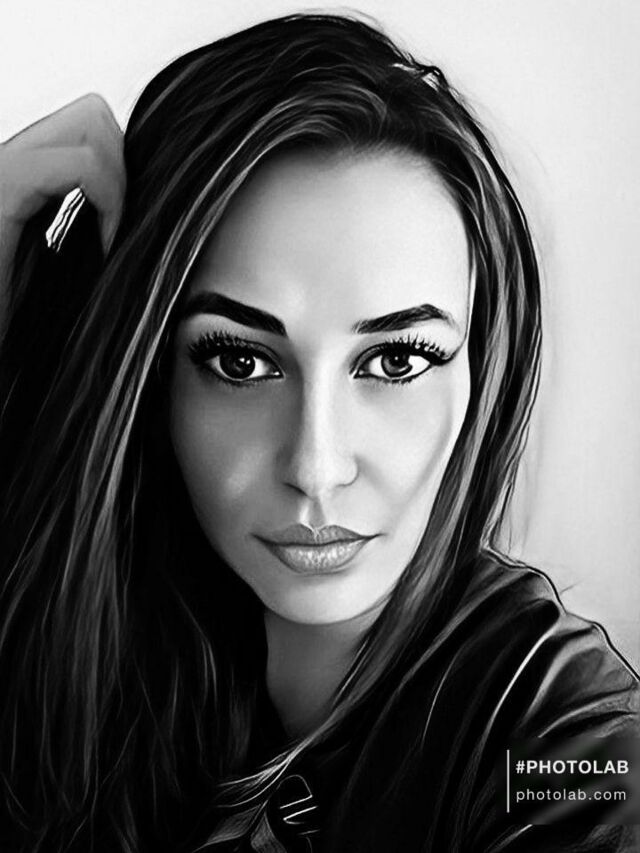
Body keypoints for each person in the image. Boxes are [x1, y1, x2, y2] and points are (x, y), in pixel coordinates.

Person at [0, 12, 637, 853]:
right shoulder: (65, 651)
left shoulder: (559, 733)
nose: (316, 465)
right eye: (238, 361)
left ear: (481, 370)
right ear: (146, 372)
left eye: (398, 360)